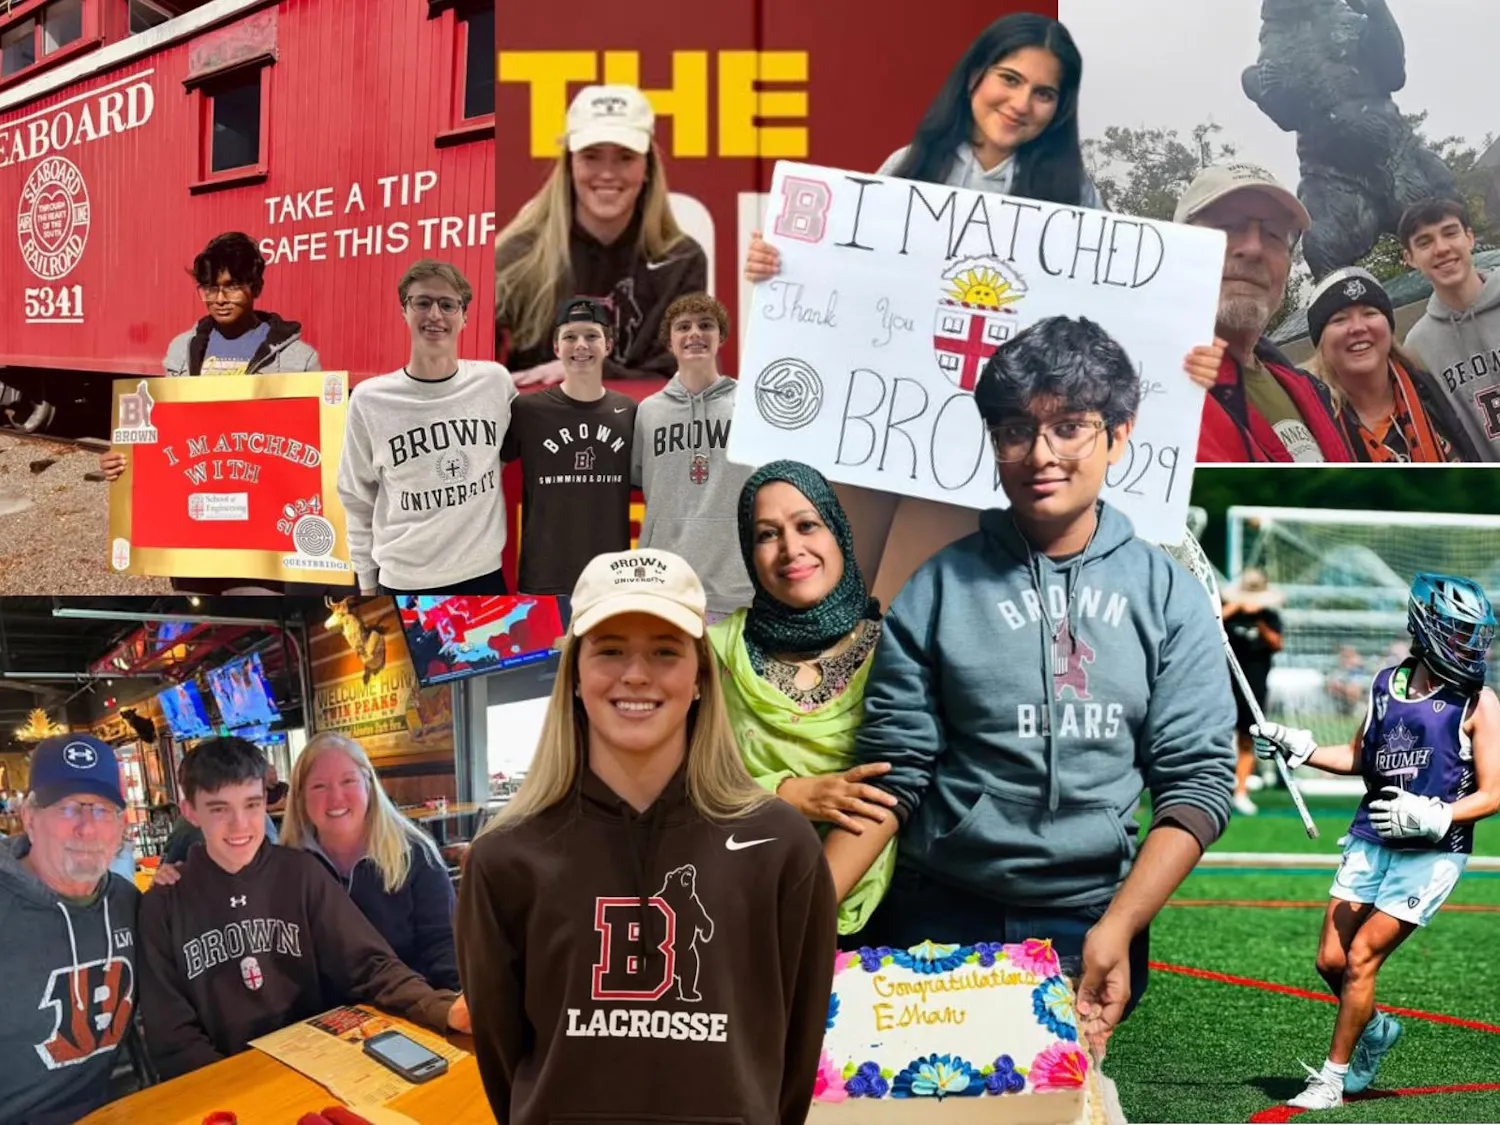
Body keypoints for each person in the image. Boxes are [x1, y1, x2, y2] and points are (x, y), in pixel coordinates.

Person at [823, 316, 1236, 1056]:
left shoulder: (1167, 595)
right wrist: (804, 915)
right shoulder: (937, 587)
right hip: (936, 909)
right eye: (1016, 429)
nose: (1041, 454)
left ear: (1119, 432)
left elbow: (1197, 786)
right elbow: (895, 773)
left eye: (1070, 426)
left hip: (1089, 920)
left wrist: (1120, 926)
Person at [455, 548, 837, 1125]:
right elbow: (504, 1060)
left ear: (701, 676)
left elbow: (795, 1051)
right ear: (576, 677)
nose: (636, 674)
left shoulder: (781, 846)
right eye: (610, 651)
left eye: (665, 651)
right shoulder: (504, 856)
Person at [1253, 573, 1500, 1109]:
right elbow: (1361, 757)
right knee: (1331, 961)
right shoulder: (1385, 683)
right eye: (1459, 632)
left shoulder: (1480, 702)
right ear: (1427, 627)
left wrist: (1436, 816)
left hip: (1433, 853)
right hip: (1372, 836)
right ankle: (1376, 1028)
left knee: (1362, 957)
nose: (1469, 646)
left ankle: (1332, 1080)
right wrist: (1298, 746)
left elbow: (1493, 793)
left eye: (1474, 636)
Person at [137, 737, 468, 1079]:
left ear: (266, 801)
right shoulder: (163, 902)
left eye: (251, 805)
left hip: (315, 1066)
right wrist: (232, 1088)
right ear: (189, 809)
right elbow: (171, 1036)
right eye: (219, 809)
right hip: (223, 1086)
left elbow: (370, 964)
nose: (240, 825)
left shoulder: (302, 872)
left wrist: (442, 1008)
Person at [709, 461, 897, 936]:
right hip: (745, 914)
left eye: (808, 525)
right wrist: (785, 794)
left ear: (838, 532)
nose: (791, 549)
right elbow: (678, 780)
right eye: (767, 534)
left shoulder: (898, 650)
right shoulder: (714, 656)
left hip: (894, 918)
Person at [496, 84, 707, 387]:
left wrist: (594, 370)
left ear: (647, 167)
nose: (607, 173)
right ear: (570, 164)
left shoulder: (680, 260)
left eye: (625, 157)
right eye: (591, 156)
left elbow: (687, 377)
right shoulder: (517, 256)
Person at [339, 260, 515, 596]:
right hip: (404, 581)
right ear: (404, 311)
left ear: (464, 317)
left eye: (447, 305)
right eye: (422, 303)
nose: (435, 314)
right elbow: (356, 497)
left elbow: (510, 448)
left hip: (483, 573)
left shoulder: (495, 383)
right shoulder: (369, 400)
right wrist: (365, 582)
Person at [98, 232, 322, 482]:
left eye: (233, 287)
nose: (219, 299)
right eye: (210, 288)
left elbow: (315, 446)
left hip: (264, 492)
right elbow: (166, 431)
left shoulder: (298, 358)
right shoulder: (181, 349)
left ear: (256, 287)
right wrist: (123, 458)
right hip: (198, 486)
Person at [0, 734, 140, 1124]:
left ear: (121, 826)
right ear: (29, 817)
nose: (86, 828)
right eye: (67, 808)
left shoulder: (130, 904)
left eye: (102, 810)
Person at [1177, 164, 1354, 463]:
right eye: (1228, 226)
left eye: (1273, 234)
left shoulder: (1312, 391)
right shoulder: (1131, 395)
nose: (1253, 248)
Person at [281, 733, 459, 990]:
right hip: (323, 1019)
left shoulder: (416, 855)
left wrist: (451, 1010)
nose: (336, 798)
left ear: (369, 786)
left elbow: (443, 946)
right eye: (319, 786)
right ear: (300, 797)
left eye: (348, 781)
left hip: (411, 1008)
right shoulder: (289, 866)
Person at [501, 297, 637, 595]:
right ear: (555, 348)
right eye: (570, 337)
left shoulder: (630, 411)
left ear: (609, 346)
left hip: (612, 581)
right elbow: (486, 479)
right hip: (543, 579)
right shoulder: (527, 410)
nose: (581, 345)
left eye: (592, 336)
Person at [633, 293, 754, 618]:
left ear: (721, 337)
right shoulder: (648, 412)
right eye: (683, 327)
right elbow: (638, 480)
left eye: (706, 325)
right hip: (663, 585)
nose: (695, 333)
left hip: (739, 588)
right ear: (669, 343)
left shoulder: (751, 406)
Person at [1303, 266, 1476, 461]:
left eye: (1369, 313)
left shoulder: (1430, 391)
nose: (1358, 328)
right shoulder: (1311, 425)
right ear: (1320, 342)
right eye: (1339, 319)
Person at [1399, 198, 1500, 460]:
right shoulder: (1416, 347)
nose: (1441, 248)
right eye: (1424, 242)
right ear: (1410, 258)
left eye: (1450, 232)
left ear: (1470, 237)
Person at [1222, 568, 1285, 816]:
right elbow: (1208, 627)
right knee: (1219, 738)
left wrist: (1258, 619)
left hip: (1254, 687)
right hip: (1223, 685)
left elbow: (1276, 644)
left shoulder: (1269, 616)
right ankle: (1218, 788)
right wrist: (1236, 608)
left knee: (1248, 739)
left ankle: (1241, 792)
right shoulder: (1227, 615)